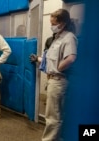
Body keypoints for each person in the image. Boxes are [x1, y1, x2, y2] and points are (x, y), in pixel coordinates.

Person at [30, 9, 77, 141]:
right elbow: (50, 59)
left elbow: (71, 58)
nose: (52, 26)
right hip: (52, 80)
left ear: (62, 23)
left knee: (52, 117)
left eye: (53, 23)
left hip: (58, 81)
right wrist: (39, 59)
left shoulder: (69, 37)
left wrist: (58, 67)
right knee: (55, 115)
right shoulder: (56, 38)